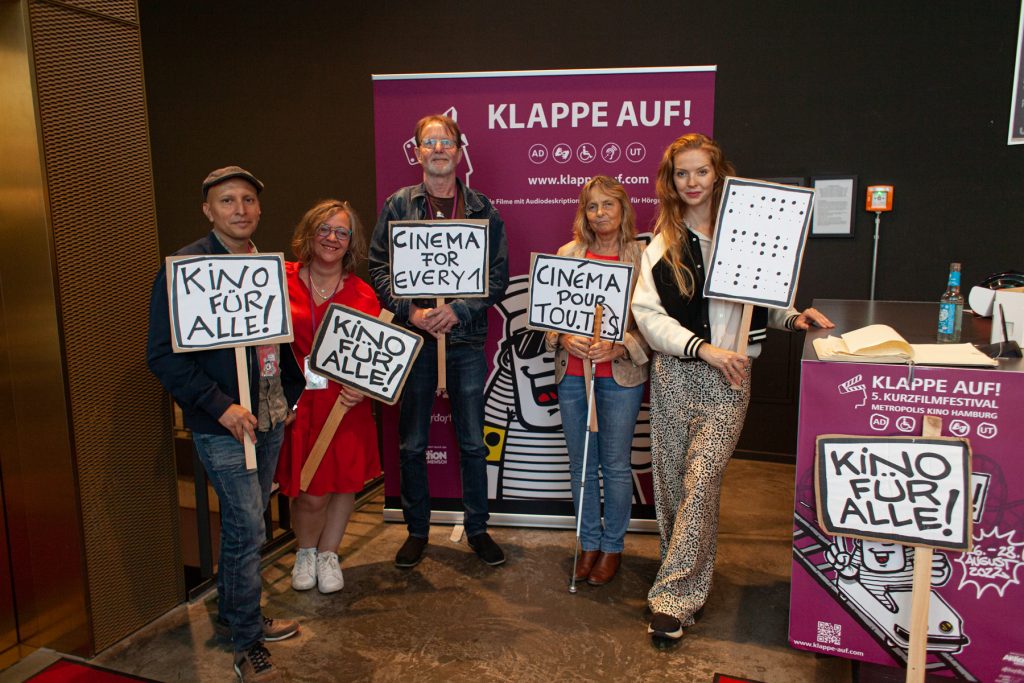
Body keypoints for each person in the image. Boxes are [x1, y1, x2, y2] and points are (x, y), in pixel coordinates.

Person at [630, 135, 834, 640]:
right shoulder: (661, 246)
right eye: (682, 173)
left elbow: (764, 302)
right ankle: (683, 576)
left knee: (701, 484)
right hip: (677, 374)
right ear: (671, 181)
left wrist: (794, 317)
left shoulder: (749, 233)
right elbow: (648, 318)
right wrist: (704, 349)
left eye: (701, 172)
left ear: (717, 175)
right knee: (674, 488)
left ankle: (674, 599)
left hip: (731, 379)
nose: (692, 182)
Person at [147, 166, 304, 681]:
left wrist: (292, 389)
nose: (240, 210)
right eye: (227, 201)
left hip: (270, 413)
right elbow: (164, 357)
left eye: (248, 201)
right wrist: (220, 406)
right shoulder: (185, 269)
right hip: (225, 424)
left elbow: (277, 341)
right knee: (247, 524)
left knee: (249, 523)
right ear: (208, 210)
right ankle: (244, 637)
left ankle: (239, 612)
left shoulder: (265, 264)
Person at [369, 113, 509, 568]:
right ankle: (416, 530)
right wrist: (411, 311)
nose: (438, 149)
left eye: (446, 141)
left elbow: (497, 276)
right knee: (412, 441)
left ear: (459, 148)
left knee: (471, 440)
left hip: (464, 340)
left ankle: (478, 529)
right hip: (415, 338)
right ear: (417, 151)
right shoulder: (398, 206)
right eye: (429, 142)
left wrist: (459, 309)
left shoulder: (483, 209)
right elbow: (378, 268)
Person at [544, 176, 650, 586]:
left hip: (619, 377)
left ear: (623, 209)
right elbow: (548, 321)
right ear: (583, 213)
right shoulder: (567, 253)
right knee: (580, 466)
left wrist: (622, 347)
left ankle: (612, 547)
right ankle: (587, 543)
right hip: (572, 376)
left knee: (617, 466)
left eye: (608, 205)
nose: (600, 213)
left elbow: (653, 327)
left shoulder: (640, 257)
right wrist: (563, 335)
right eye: (592, 206)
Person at [275, 200, 382, 594]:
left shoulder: (363, 294)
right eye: (324, 229)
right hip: (299, 402)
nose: (332, 238)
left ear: (351, 242)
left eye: (341, 232)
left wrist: (365, 387)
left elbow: (374, 357)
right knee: (308, 491)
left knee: (343, 484)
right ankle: (304, 550)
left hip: (346, 402)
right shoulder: (280, 280)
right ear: (309, 233)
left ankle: (328, 554)